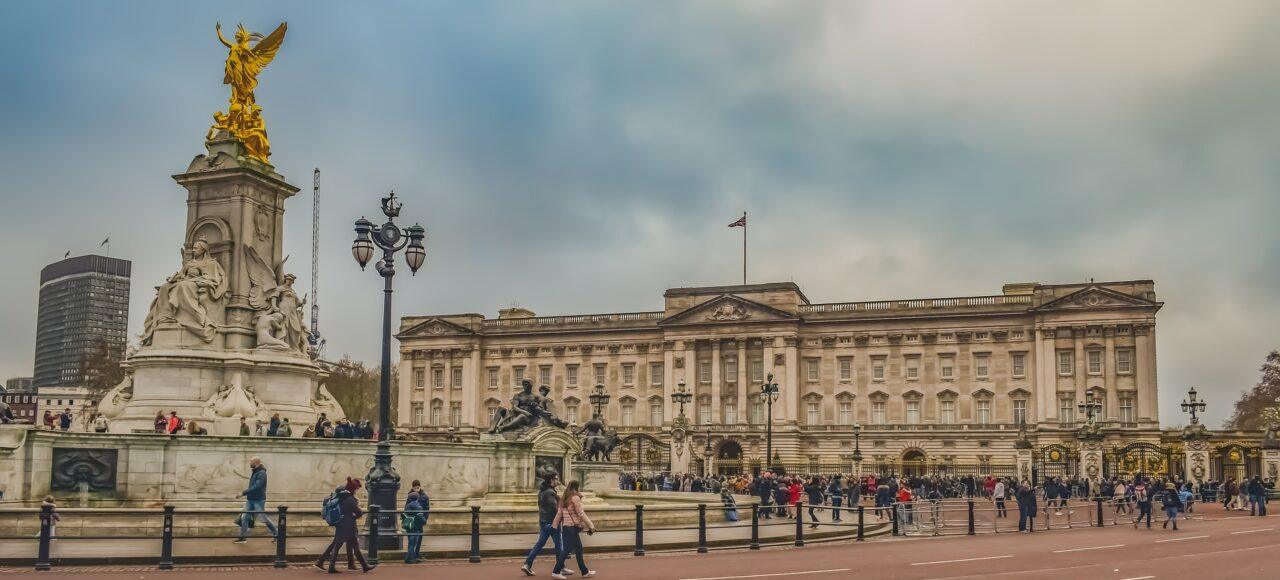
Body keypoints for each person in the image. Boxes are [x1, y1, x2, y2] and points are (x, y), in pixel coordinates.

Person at [316, 477, 372, 572]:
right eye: (356, 489)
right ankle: (332, 567)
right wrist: (357, 513)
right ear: (353, 489)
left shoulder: (342, 497)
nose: (356, 491)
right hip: (348, 525)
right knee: (343, 545)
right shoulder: (350, 499)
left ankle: (355, 565)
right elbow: (359, 513)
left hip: (341, 523)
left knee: (343, 544)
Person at [551, 480, 595, 579]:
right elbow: (581, 514)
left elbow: (559, 514)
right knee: (566, 550)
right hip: (572, 527)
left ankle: (585, 572)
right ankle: (556, 571)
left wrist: (554, 526)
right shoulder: (575, 498)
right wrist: (591, 526)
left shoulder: (564, 498)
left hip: (567, 527)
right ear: (577, 487)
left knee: (579, 549)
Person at [521, 474, 562, 576]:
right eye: (556, 479)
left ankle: (527, 564)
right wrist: (560, 517)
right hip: (552, 522)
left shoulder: (542, 491)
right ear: (551, 480)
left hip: (544, 521)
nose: (558, 481)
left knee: (540, 544)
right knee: (559, 544)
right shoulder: (550, 492)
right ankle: (560, 567)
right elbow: (554, 508)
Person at [233, 457, 277, 543]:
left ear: (256, 462)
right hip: (250, 499)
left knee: (263, 519)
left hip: (258, 500)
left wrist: (243, 493)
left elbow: (257, 487)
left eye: (251, 461)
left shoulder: (261, 473)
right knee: (244, 517)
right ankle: (243, 538)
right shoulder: (256, 471)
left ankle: (277, 535)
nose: (249, 463)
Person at [402, 492, 427, 564]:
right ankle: (410, 559)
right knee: (413, 542)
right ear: (417, 498)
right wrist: (424, 521)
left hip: (408, 525)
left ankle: (409, 557)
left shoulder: (408, 505)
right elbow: (420, 515)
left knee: (410, 541)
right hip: (415, 525)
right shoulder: (417, 506)